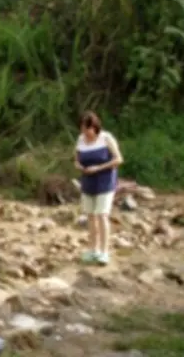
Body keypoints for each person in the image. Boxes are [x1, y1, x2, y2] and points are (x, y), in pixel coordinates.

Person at [74, 111, 124, 265]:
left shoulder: (106, 138)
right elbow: (76, 160)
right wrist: (80, 167)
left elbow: (118, 159)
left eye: (87, 129)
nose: (85, 133)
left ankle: (104, 251)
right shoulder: (81, 140)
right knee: (90, 215)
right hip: (88, 182)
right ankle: (92, 249)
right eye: (82, 129)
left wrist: (99, 168)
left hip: (105, 181)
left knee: (102, 214)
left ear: (94, 127)